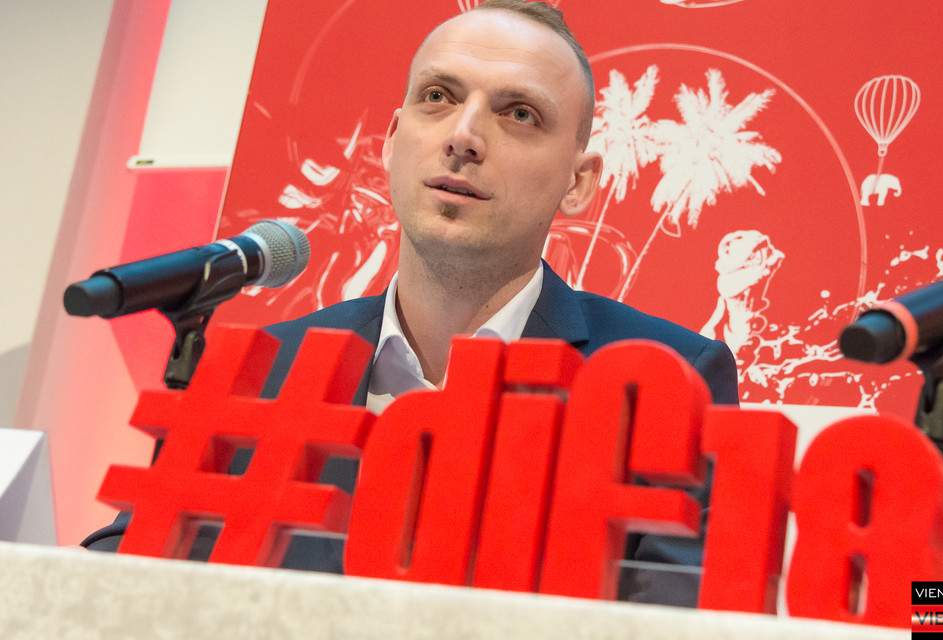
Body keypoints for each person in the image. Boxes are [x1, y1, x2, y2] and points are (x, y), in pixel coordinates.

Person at [85, 0, 739, 608]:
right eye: (438, 97)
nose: (464, 136)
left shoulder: (669, 381)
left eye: (519, 114)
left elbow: (678, 618)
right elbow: (116, 576)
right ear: (393, 138)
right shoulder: (263, 374)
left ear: (579, 181)